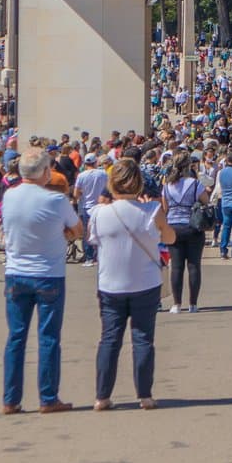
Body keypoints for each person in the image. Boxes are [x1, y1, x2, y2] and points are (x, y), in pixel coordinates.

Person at [0, 147, 83, 415]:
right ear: (45, 172)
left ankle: (10, 399)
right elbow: (78, 230)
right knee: (48, 338)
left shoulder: (9, 196)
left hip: (16, 272)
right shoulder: (55, 201)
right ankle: (48, 397)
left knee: (16, 338)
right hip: (48, 273)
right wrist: (63, 233)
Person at [86, 158, 172, 411]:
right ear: (139, 183)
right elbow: (170, 237)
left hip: (110, 283)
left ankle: (102, 396)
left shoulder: (99, 212)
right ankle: (144, 395)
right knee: (143, 338)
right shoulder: (151, 211)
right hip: (145, 282)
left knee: (109, 339)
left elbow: (93, 240)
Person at [159, 158, 207, 311]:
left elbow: (165, 208)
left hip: (173, 227)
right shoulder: (195, 184)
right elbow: (205, 201)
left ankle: (176, 304)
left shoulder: (167, 186)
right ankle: (193, 304)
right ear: (188, 167)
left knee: (177, 267)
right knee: (194, 265)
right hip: (193, 225)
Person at [73, 157, 109, 266]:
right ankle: (100, 255)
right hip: (101, 205)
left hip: (86, 207)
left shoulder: (81, 175)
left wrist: (79, 197)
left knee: (87, 233)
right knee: (101, 232)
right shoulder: (103, 174)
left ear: (85, 163)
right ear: (95, 162)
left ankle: (89, 258)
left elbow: (76, 193)